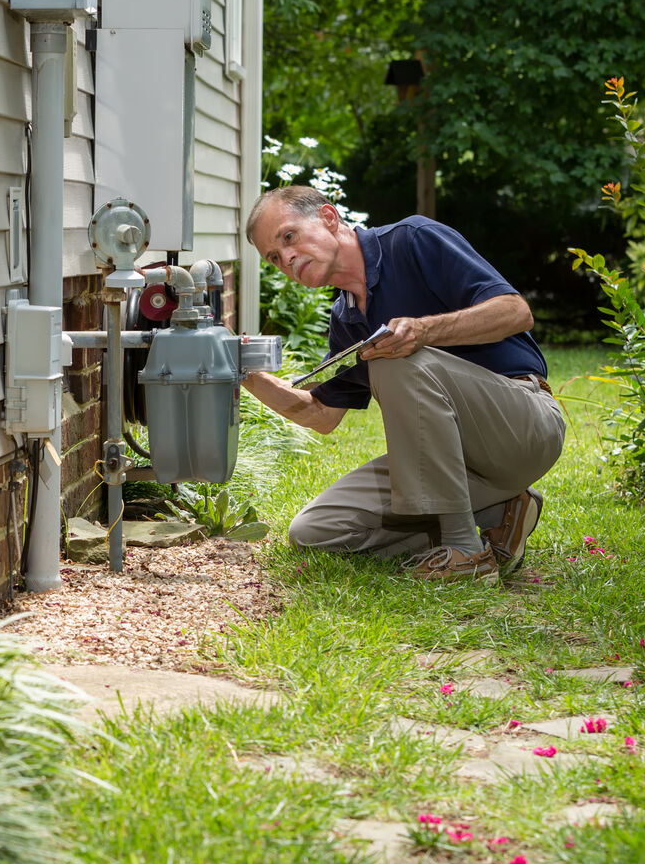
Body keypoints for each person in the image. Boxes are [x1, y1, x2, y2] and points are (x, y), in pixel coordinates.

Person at [242, 186, 565, 583]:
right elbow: (320, 414)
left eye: (288, 237)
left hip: (523, 427)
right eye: (274, 258)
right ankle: (503, 511)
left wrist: (425, 331)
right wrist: (244, 374)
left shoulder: (412, 240)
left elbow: (516, 312)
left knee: (395, 361)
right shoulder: (346, 318)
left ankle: (466, 552)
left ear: (328, 218)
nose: (286, 258)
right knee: (314, 531)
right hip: (454, 464)